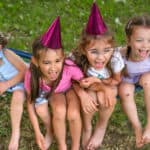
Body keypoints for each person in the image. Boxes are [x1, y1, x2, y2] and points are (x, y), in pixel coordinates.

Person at [24, 17, 84, 150]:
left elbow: (82, 82)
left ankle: (75, 146)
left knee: (73, 114)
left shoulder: (69, 68)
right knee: (59, 111)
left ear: (63, 58)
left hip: (71, 89)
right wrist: (37, 131)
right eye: (46, 63)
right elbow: (30, 103)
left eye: (57, 61)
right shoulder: (32, 76)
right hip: (55, 93)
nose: (53, 68)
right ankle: (62, 146)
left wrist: (83, 95)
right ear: (35, 61)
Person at [72, 2, 124, 150]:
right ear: (83, 49)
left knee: (106, 98)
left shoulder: (114, 58)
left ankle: (101, 126)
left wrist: (100, 84)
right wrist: (82, 95)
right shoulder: (75, 58)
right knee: (91, 98)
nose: (101, 58)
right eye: (94, 52)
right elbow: (72, 81)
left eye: (106, 50)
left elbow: (116, 80)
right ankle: (87, 128)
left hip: (109, 85)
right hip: (87, 88)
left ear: (112, 48)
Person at [118, 15, 150, 148]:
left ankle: (149, 124)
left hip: (145, 79)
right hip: (127, 80)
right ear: (129, 40)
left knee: (149, 80)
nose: (145, 45)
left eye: (149, 40)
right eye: (139, 40)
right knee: (124, 91)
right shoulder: (120, 54)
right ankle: (137, 127)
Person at [0, 32, 27, 150]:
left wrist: (6, 85)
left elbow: (25, 71)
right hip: (8, 84)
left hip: (23, 80)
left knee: (18, 96)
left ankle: (15, 134)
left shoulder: (7, 54)